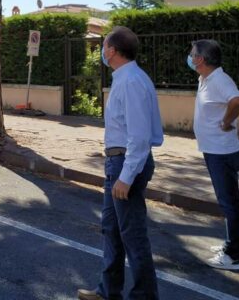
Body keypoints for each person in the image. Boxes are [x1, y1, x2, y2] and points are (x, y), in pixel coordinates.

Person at [78, 27, 163, 300]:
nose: (102, 51)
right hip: (118, 162)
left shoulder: (131, 82)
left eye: (104, 46)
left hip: (126, 163)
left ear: (112, 51)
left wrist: (126, 176)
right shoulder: (126, 78)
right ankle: (107, 291)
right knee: (112, 229)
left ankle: (144, 296)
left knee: (132, 233)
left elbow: (139, 136)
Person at [188, 39, 239, 270]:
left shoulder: (220, 80)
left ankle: (234, 256)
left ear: (201, 59)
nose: (191, 58)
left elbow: (237, 101)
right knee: (228, 202)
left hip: (222, 152)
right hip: (214, 151)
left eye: (193, 55)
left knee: (229, 204)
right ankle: (234, 245)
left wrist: (226, 121)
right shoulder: (205, 79)